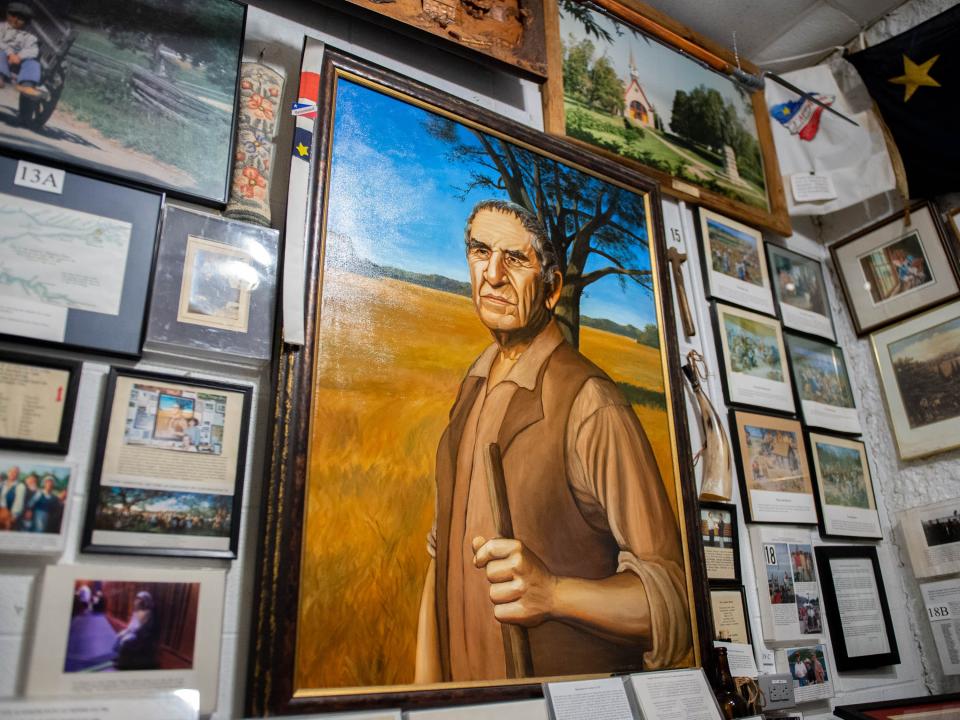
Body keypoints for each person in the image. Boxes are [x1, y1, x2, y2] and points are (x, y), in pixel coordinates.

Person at [415, 199, 691, 683]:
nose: (492, 274)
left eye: (516, 259)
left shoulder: (591, 405)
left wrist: (554, 592)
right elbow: (441, 561)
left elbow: (672, 603)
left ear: (552, 289)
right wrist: (423, 694)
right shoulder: (472, 387)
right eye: (480, 251)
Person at [0, 3, 42, 95]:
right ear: (7, 14)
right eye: (13, 15)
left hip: (19, 59)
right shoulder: (2, 27)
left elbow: (33, 50)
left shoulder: (29, 35)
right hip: (4, 54)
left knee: (33, 63)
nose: (15, 20)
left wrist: (19, 56)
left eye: (20, 19)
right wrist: (10, 53)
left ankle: (26, 85)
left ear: (27, 22)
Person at [114, 590, 159, 670]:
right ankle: (119, 656)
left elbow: (141, 627)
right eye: (138, 599)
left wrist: (132, 631)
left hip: (139, 634)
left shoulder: (147, 612)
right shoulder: (137, 610)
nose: (137, 601)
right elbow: (132, 623)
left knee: (125, 640)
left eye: (140, 599)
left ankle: (122, 662)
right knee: (118, 636)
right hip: (132, 630)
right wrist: (126, 630)